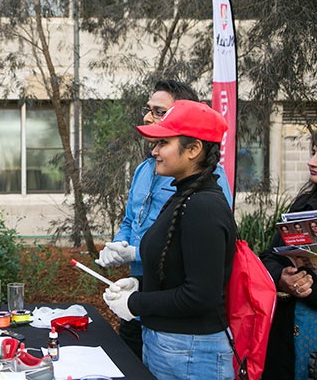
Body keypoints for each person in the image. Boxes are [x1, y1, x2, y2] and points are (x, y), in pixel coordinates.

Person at [94, 80, 233, 359]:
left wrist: (137, 294)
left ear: (192, 148)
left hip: (183, 334)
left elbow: (200, 288)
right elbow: (132, 220)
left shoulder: (204, 198)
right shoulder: (156, 173)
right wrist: (123, 248)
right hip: (152, 305)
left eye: (158, 113)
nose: (147, 117)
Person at [260, 130, 317, 380]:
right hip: (289, 341)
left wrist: (309, 287)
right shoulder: (304, 205)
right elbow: (269, 257)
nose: (311, 161)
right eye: (314, 151)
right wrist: (283, 277)